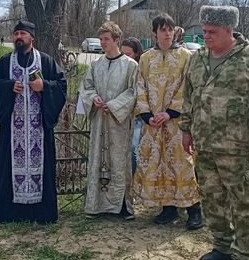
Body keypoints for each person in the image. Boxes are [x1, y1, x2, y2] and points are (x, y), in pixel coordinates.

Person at [180, 6, 249, 260]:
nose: (206, 36)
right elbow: (189, 97)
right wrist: (186, 129)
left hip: (238, 145)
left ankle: (245, 257)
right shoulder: (198, 59)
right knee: (211, 198)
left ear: (228, 31)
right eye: (204, 31)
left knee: (244, 202)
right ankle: (222, 244)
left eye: (212, 32)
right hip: (205, 143)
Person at [0, 20, 67, 223]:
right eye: (16, 34)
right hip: (12, 131)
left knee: (43, 168)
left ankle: (40, 212)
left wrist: (44, 86)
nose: (18, 37)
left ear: (32, 37)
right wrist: (8, 87)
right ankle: (9, 212)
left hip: (39, 130)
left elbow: (62, 85)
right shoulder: (4, 63)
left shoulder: (46, 62)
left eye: (22, 33)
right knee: (8, 167)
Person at [134, 13, 202, 230]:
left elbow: (188, 86)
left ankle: (194, 209)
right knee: (159, 164)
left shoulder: (186, 57)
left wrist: (170, 112)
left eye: (170, 29)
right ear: (155, 32)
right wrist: (147, 115)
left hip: (177, 123)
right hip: (153, 123)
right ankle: (168, 208)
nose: (167, 33)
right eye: (162, 29)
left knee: (183, 164)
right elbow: (140, 86)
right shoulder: (146, 58)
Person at [79, 22, 138, 218]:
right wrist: (93, 98)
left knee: (119, 161)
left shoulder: (131, 65)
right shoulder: (96, 65)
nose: (103, 43)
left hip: (118, 124)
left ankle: (121, 206)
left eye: (106, 39)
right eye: (101, 39)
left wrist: (113, 105)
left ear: (116, 40)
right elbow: (86, 87)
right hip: (99, 121)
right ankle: (96, 205)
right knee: (98, 159)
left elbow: (134, 92)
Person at [120, 38, 144, 174]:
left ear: (136, 54)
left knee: (132, 149)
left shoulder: (140, 66)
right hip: (122, 114)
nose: (124, 57)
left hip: (138, 114)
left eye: (128, 54)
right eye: (122, 53)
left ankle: (134, 180)